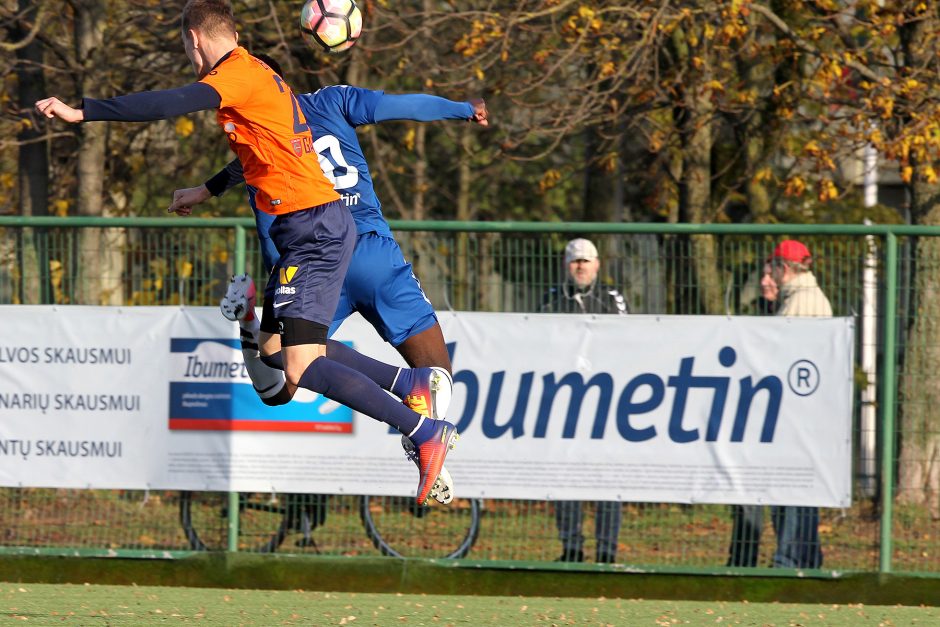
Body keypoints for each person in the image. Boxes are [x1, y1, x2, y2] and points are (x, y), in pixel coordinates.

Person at [36, 0, 459, 506]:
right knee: (277, 353)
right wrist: (206, 190)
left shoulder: (235, 75)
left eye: (185, 46)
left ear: (195, 38)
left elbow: (172, 101)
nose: (188, 56)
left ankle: (422, 430)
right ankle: (406, 379)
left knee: (300, 368)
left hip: (313, 230)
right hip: (310, 226)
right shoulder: (262, 75)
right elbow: (261, 150)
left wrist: (85, 110)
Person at [168, 53, 489, 505]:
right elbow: (404, 106)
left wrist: (208, 191)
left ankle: (421, 434)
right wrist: (461, 107)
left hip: (319, 263)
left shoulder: (261, 143)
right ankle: (423, 436)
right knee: (436, 371)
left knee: (279, 367)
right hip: (372, 252)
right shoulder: (333, 100)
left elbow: (269, 229)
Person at [727, 239, 831, 569]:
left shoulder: (801, 303)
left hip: (796, 414)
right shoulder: (800, 299)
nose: (767, 275)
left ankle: (789, 560)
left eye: (771, 267)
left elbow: (784, 358)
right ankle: (807, 558)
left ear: (784, 269)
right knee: (796, 491)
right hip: (801, 413)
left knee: (792, 491)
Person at [539, 238, 625, 563]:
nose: (580, 266)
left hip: (606, 402)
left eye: (586, 261)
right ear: (566, 264)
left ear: (598, 265)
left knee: (607, 479)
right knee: (565, 477)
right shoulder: (549, 300)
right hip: (564, 402)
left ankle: (606, 551)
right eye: (575, 261)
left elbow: (626, 341)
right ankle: (571, 547)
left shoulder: (613, 300)